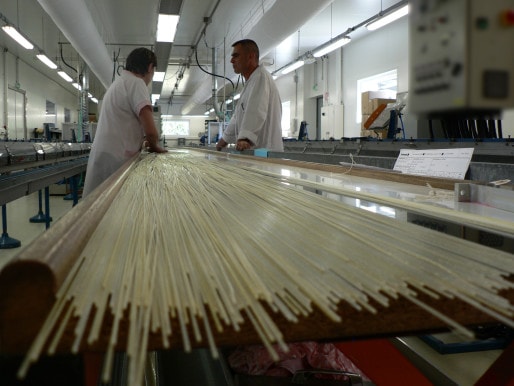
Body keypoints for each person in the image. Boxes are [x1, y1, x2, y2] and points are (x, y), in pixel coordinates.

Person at [82, 47, 167, 197]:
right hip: (116, 160)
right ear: (149, 67)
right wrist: (154, 146)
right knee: (110, 209)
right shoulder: (137, 83)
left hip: (104, 156)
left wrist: (143, 142)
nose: (151, 77)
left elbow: (125, 125)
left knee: (96, 207)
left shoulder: (118, 84)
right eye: (153, 72)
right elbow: (152, 132)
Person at [216, 39, 284, 152]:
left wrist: (245, 139)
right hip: (257, 153)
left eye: (236, 56)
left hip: (265, 153)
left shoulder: (260, 77)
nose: (232, 60)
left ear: (250, 57)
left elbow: (256, 110)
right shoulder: (251, 83)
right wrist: (223, 141)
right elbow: (237, 117)